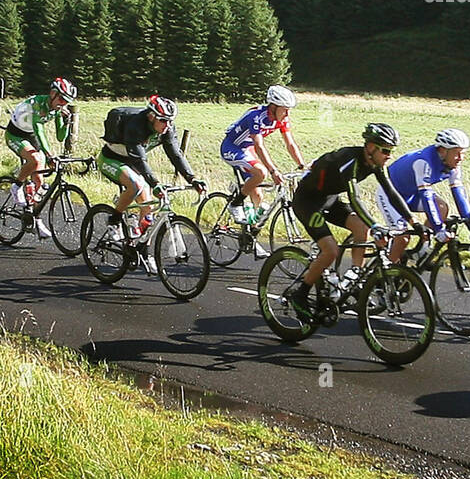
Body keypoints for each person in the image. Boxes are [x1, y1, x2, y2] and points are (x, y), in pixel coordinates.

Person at [286, 123, 414, 311]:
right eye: (386, 151)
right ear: (370, 148)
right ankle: (300, 293)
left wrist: (413, 221)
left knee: (362, 227)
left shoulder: (375, 164)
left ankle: (354, 276)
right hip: (308, 202)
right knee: (331, 251)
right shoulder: (350, 161)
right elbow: (354, 198)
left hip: (329, 199)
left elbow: (391, 193)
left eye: (391, 151)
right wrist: (376, 225)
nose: (389, 156)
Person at [98, 95, 205, 239]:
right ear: (151, 116)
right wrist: (155, 184)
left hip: (133, 162)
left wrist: (192, 179)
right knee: (136, 185)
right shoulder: (135, 125)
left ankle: (138, 247)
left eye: (170, 121)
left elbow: (176, 155)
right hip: (111, 159)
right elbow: (140, 160)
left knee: (147, 209)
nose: (167, 125)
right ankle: (114, 220)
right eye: (163, 120)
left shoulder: (168, 129)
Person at [377, 128, 470, 262]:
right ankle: (388, 274)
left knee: (441, 207)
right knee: (403, 238)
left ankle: (420, 254)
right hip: (389, 195)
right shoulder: (423, 162)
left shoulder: (453, 164)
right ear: (442, 150)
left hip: (410, 195)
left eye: (463, 153)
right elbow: (426, 196)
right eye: (457, 153)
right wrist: (439, 228)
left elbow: (459, 194)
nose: (461, 158)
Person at [4, 77, 78, 239]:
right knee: (37, 160)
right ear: (52, 93)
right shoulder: (38, 104)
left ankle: (35, 218)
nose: (63, 103)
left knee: (39, 181)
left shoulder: (57, 109)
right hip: (15, 134)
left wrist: (66, 122)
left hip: (30, 136)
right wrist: (49, 154)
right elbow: (39, 131)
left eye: (67, 101)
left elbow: (60, 137)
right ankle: (16, 186)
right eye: (61, 99)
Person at [220, 86, 306, 224]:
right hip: (232, 148)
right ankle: (235, 204)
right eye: (284, 109)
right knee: (261, 172)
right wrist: (273, 171)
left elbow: (290, 144)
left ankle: (248, 236)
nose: (287, 114)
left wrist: (302, 166)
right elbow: (259, 146)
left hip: (247, 149)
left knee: (258, 197)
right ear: (273, 107)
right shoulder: (255, 117)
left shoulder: (282, 119)